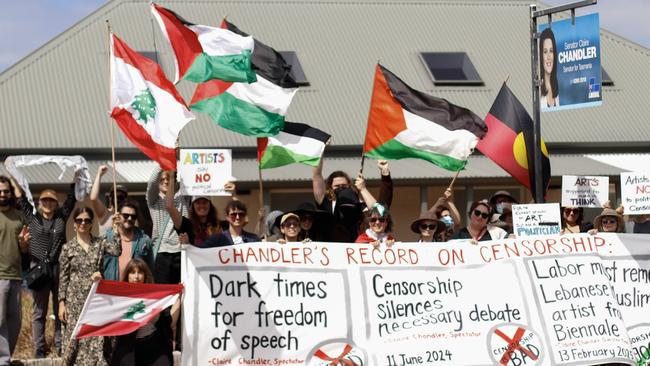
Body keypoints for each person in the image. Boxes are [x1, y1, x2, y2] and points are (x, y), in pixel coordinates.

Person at [10, 174, 77, 358]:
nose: (48, 203)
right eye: (45, 200)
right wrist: (13, 177)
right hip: (38, 268)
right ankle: (39, 350)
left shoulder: (61, 218)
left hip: (58, 268)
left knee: (60, 309)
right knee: (39, 311)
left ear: (56, 203)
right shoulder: (32, 218)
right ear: (39, 203)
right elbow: (20, 199)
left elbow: (72, 199)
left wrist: (76, 179)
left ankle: (60, 345)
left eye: (51, 201)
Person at [59, 207, 122, 366]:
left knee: (95, 341)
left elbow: (116, 250)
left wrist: (115, 229)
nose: (83, 223)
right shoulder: (68, 248)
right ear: (74, 223)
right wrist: (61, 303)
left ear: (91, 223)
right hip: (74, 302)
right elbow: (63, 278)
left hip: (95, 300)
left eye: (87, 220)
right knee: (74, 342)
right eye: (79, 220)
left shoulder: (100, 243)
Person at [110, 258, 175, 366]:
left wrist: (178, 296)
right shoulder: (120, 298)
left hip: (154, 345)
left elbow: (168, 321)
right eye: (132, 272)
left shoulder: (155, 296)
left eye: (140, 272)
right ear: (127, 276)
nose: (136, 276)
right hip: (129, 349)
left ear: (145, 275)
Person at [0, 176, 29, 366]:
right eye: (0, 191)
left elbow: (24, 249)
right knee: (0, 320)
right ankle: (3, 361)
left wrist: (24, 244)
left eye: (6, 191)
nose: (2, 194)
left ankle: (5, 357)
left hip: (16, 276)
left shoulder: (19, 216)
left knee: (15, 322)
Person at [164, 171, 235, 246]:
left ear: (210, 205)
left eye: (204, 202)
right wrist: (172, 178)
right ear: (193, 206)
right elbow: (169, 206)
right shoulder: (186, 225)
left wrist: (233, 194)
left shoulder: (221, 225)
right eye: (198, 203)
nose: (201, 205)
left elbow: (237, 215)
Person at [147, 168, 189, 284]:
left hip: (183, 251)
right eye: (162, 179)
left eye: (169, 178)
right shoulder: (154, 200)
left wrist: (178, 163)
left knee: (183, 292)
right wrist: (163, 161)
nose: (166, 181)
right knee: (164, 293)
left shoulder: (183, 197)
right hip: (162, 253)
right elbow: (151, 182)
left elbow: (192, 180)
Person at [103, 201, 153, 281]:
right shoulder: (107, 238)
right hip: (111, 289)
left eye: (133, 216)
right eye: (126, 216)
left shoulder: (144, 240)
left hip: (135, 290)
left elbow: (150, 271)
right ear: (118, 216)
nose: (129, 219)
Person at [90, 165, 129, 235]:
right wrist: (99, 174)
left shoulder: (129, 216)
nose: (117, 199)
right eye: (115, 196)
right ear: (110, 198)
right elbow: (93, 198)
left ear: (125, 199)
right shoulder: (105, 213)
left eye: (121, 197)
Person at [540, 27, 560, 109]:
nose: (548, 56)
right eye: (545, 52)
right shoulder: (538, 89)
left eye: (551, 51)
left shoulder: (556, 89)